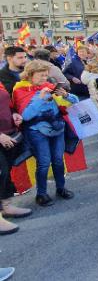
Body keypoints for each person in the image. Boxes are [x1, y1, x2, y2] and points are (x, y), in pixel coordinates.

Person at [12, 60, 78, 207]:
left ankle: (61, 188)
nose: (44, 79)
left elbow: (74, 102)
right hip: (37, 132)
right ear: (30, 75)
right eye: (41, 75)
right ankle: (41, 194)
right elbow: (26, 116)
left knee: (58, 160)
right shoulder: (21, 90)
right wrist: (40, 98)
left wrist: (66, 95)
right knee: (43, 163)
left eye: (46, 75)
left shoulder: (49, 86)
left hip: (57, 129)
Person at [0, 82, 31, 235]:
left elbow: (6, 104)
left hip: (8, 132)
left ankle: (6, 206)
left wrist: (13, 113)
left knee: (5, 172)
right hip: (1, 135)